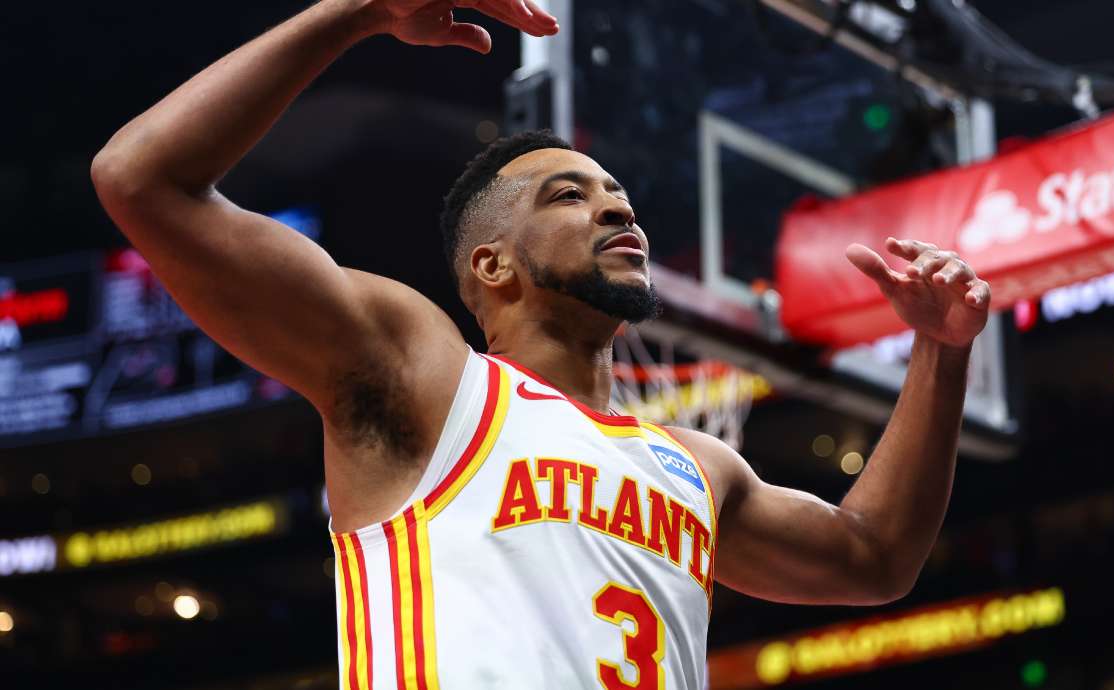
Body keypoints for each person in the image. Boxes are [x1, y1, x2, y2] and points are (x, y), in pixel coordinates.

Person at [90, 1, 993, 688]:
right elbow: (143, 179)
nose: (615, 205)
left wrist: (940, 354)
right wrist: (356, 14)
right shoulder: (428, 380)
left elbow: (874, 557)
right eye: (568, 196)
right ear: (491, 263)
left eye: (616, 193)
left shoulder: (695, 467)